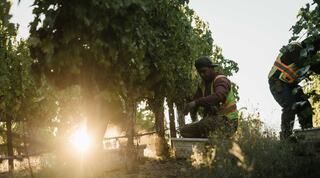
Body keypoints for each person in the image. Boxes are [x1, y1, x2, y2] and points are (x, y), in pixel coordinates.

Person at [268, 36, 320, 140]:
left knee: (305, 106)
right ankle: (286, 137)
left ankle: (308, 134)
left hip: (291, 85)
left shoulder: (305, 55)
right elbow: (308, 64)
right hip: (277, 82)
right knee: (290, 106)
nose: (314, 53)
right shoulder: (296, 49)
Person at [180, 56, 238, 138]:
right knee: (184, 131)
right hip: (212, 122)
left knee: (204, 124)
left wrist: (195, 103)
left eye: (204, 71)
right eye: (199, 72)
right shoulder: (203, 86)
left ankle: (215, 145)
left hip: (228, 122)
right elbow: (195, 101)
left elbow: (219, 96)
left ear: (211, 69)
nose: (202, 75)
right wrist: (189, 107)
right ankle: (205, 144)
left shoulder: (221, 80)